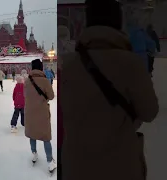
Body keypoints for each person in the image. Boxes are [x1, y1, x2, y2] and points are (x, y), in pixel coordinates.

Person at [60, 0, 159, 180]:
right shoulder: (131, 64)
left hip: (76, 166)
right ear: (117, 22)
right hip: (120, 166)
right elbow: (150, 111)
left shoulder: (68, 66)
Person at [24, 59, 56, 173]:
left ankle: (34, 154)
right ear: (41, 67)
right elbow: (51, 96)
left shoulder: (27, 81)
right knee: (45, 137)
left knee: (32, 134)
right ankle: (50, 162)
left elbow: (25, 95)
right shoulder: (45, 81)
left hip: (30, 112)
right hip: (42, 113)